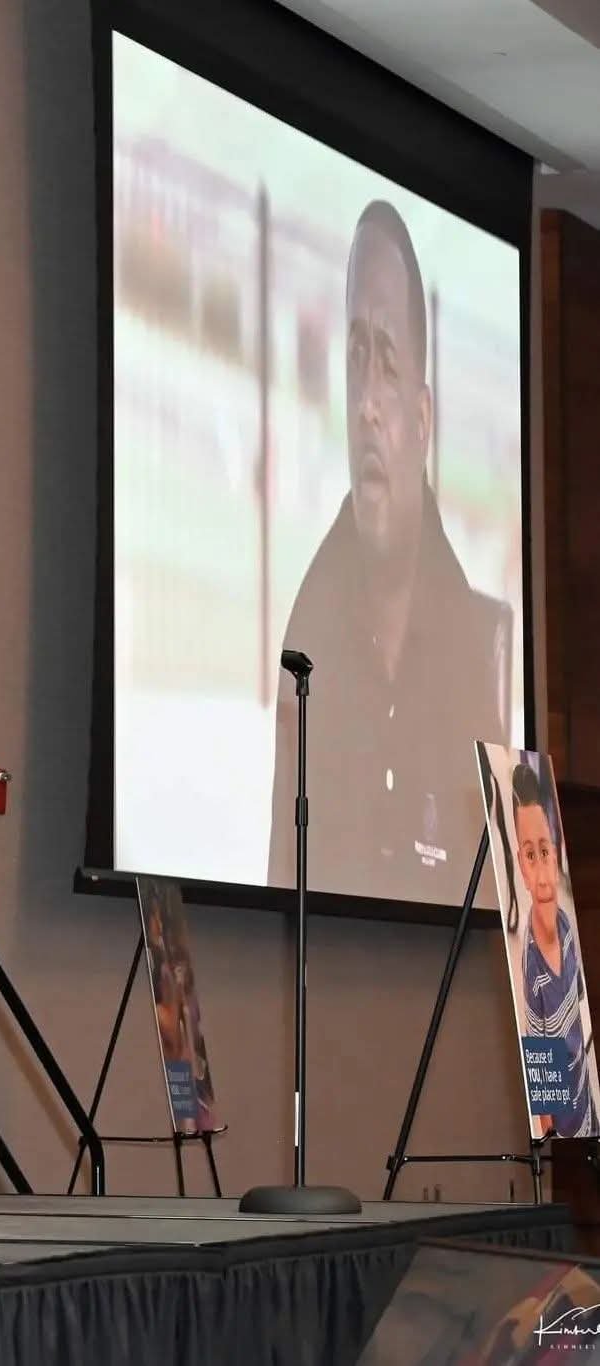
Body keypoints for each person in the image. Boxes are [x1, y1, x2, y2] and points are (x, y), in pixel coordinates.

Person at [268, 200, 506, 905]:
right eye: (354, 360)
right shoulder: (304, 638)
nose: (367, 403)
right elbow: (282, 877)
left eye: (389, 364)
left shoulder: (477, 643)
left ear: (423, 416)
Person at [512, 763, 595, 1138]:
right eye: (531, 855)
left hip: (590, 1112)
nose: (543, 871)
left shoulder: (567, 926)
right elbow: (545, 1096)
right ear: (521, 867)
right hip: (567, 1134)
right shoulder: (533, 970)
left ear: (557, 852)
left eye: (545, 851)